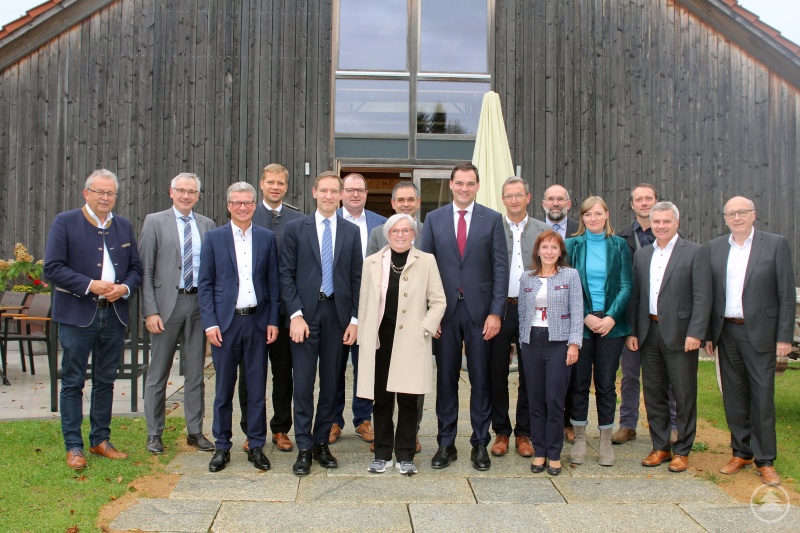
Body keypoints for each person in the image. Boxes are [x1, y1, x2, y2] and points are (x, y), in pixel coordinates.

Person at [43, 169, 143, 471]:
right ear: (86, 193)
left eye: (110, 193)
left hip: (113, 314)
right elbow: (53, 267)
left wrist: (124, 288)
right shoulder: (66, 222)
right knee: (73, 381)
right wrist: (90, 285)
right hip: (77, 314)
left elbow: (136, 268)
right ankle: (73, 447)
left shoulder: (123, 226)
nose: (105, 197)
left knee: (106, 380)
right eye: (99, 192)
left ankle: (101, 439)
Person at [420, 162, 509, 471]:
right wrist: (429, 316)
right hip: (444, 313)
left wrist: (496, 312)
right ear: (451, 184)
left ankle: (480, 443)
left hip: (481, 313)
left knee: (480, 379)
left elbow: (501, 269)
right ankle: (446, 443)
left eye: (470, 183)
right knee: (445, 380)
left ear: (477, 186)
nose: (464, 188)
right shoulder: (433, 219)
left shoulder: (493, 219)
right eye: (459, 183)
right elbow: (423, 269)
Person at [704, 196, 795, 487]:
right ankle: (741, 452)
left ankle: (765, 459)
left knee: (762, 397)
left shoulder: (775, 244)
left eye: (742, 212)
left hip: (761, 334)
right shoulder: (715, 248)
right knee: (733, 395)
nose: (737, 217)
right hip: (726, 332)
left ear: (753, 215)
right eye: (731, 214)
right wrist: (708, 334)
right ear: (725, 218)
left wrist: (784, 337)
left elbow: (785, 294)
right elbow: (709, 295)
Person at [280, 171, 363, 476]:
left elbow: (357, 278)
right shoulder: (294, 230)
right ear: (313, 192)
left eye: (334, 191)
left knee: (332, 384)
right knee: (302, 384)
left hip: (338, 318)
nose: (329, 196)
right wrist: (296, 315)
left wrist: (354, 320)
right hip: (305, 317)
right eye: (324, 190)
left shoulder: (350, 232)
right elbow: (285, 276)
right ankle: (303, 447)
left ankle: (321, 443)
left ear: (341, 195)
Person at [198, 182, 281, 473]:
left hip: (257, 323)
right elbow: (205, 285)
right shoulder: (214, 238)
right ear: (228, 205)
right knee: (223, 389)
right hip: (225, 324)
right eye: (237, 203)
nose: (242, 207)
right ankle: (222, 446)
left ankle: (256, 444)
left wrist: (272, 320)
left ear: (254, 205)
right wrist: (210, 324)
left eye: (247, 203)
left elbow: (273, 284)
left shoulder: (266, 237)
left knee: (256, 389)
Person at [357, 214, 446, 475]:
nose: (400, 235)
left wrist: (425, 328)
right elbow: (364, 302)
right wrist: (364, 334)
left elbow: (438, 300)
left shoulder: (426, 261)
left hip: (412, 339)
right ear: (387, 234)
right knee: (381, 399)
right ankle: (382, 453)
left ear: (414, 234)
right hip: (379, 338)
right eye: (395, 231)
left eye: (406, 230)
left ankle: (406, 454)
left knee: (409, 399)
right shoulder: (371, 262)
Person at [626, 202, 711, 473]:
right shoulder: (643, 255)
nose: (661, 226)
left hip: (682, 335)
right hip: (649, 333)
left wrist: (697, 332)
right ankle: (660, 446)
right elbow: (636, 296)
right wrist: (632, 331)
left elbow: (702, 296)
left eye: (666, 221)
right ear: (651, 223)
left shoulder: (695, 252)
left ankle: (683, 449)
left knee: (684, 394)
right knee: (653, 393)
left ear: (676, 222)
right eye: (657, 222)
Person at [140, 173, 215, 455]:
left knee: (196, 373)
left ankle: (195, 431)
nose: (186, 196)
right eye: (181, 191)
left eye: (192, 192)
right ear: (171, 192)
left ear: (198, 195)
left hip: (197, 306)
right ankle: (154, 433)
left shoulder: (207, 225)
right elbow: (145, 270)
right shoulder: (155, 222)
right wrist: (150, 311)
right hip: (165, 307)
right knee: (158, 373)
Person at [238, 163, 304, 454]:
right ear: (261, 184)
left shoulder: (298, 219)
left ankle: (280, 429)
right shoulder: (248, 215)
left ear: (286, 187)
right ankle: (251, 430)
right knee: (250, 374)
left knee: (282, 374)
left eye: (280, 183)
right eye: (270, 182)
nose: (275, 187)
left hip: (285, 312)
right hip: (253, 311)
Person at [565, 196, 631, 467]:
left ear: (607, 214)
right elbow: (566, 284)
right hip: (582, 325)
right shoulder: (572, 245)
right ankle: (580, 438)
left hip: (610, 327)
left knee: (605, 384)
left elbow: (626, 284)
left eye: (598, 213)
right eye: (588, 214)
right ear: (582, 218)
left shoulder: (620, 245)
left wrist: (612, 317)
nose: (593, 219)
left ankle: (605, 439)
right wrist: (584, 317)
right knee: (579, 383)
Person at [613, 184, 678, 445]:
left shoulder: (673, 238)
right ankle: (627, 423)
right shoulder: (622, 238)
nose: (643, 203)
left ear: (656, 201)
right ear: (632, 205)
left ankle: (670, 424)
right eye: (638, 199)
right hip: (633, 319)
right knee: (630, 375)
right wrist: (628, 328)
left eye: (648, 198)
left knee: (667, 377)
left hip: (664, 321)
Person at [490, 177, 548, 458]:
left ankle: (525, 433)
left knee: (531, 372)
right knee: (496, 371)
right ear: (503, 200)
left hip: (533, 309)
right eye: (508, 196)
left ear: (528, 197)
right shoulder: (492, 228)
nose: (514, 200)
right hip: (501, 308)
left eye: (519, 195)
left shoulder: (543, 230)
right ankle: (501, 431)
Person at [367, 181, 425, 454]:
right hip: (384, 323)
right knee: (381, 386)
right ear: (392, 203)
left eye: (410, 199)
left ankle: (410, 435)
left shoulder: (426, 230)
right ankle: (383, 438)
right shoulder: (378, 233)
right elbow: (368, 278)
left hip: (415, 324)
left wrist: (427, 323)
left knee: (412, 385)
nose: (405, 203)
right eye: (400, 199)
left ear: (418, 201)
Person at [518, 230, 583, 476]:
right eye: (544, 247)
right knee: (535, 401)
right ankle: (540, 451)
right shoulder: (527, 278)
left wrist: (574, 344)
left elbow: (577, 311)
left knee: (554, 400)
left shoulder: (570, 275)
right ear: (537, 251)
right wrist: (521, 342)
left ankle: (554, 454)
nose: (548, 252)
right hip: (532, 342)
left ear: (560, 252)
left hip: (559, 343)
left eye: (553, 248)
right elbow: (523, 313)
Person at [331, 173, 387, 445]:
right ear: (341, 193)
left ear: (366, 193)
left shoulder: (382, 224)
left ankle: (363, 419)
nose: (355, 194)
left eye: (360, 190)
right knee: (334, 365)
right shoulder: (330, 221)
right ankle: (333, 419)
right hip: (336, 306)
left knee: (366, 365)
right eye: (350, 190)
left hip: (372, 307)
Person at [540, 183, 579, 443]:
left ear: (568, 203)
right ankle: (537, 425)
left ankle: (567, 423)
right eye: (551, 199)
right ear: (543, 203)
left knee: (571, 375)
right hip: (542, 312)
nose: (555, 203)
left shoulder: (580, 228)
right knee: (538, 378)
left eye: (560, 199)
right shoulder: (536, 229)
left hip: (572, 307)